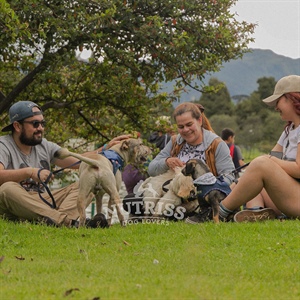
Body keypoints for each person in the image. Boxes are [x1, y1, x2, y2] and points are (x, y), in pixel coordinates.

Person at [0, 100, 131, 228]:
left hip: (43, 200)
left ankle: (54, 220)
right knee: (6, 189)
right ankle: (66, 222)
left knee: (84, 185)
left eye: (42, 123)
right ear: (17, 126)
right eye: (35, 124)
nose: (40, 128)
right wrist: (30, 172)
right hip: (15, 202)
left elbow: (77, 161)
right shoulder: (3, 145)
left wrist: (105, 148)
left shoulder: (44, 145)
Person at [123, 102, 236, 222]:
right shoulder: (175, 141)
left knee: (173, 209)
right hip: (169, 190)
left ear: (199, 120)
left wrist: (205, 186)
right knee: (129, 201)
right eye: (181, 127)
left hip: (199, 196)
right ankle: (165, 214)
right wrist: (167, 162)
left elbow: (229, 177)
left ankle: (173, 214)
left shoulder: (217, 144)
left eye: (189, 125)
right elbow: (151, 169)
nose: (186, 130)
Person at [218, 75, 300, 222]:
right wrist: (243, 179)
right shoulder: (289, 130)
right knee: (256, 173)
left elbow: (298, 169)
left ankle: (219, 212)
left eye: (278, 101)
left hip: (296, 199)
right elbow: (274, 156)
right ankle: (256, 212)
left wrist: (269, 161)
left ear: (292, 99)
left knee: (261, 164)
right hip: (291, 195)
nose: (275, 107)